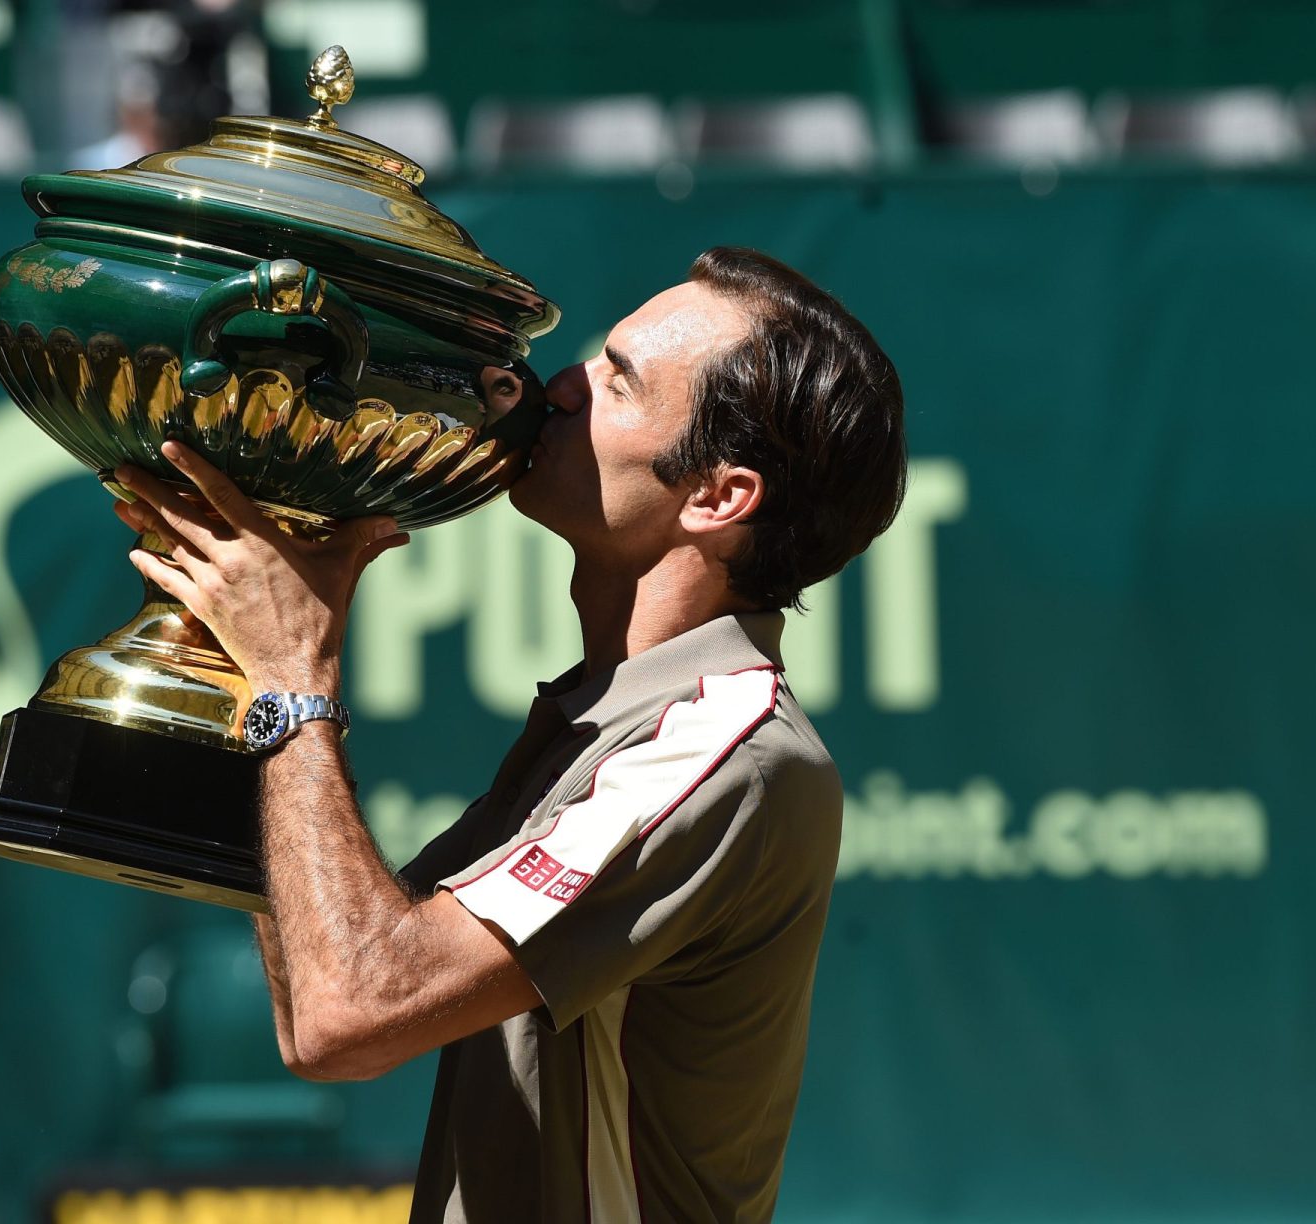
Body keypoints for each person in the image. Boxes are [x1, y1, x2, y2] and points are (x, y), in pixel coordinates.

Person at [112, 247, 908, 1222]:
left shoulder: (720, 753)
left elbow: (351, 1014)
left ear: (717, 497)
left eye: (618, 379)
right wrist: (252, 657)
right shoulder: (613, 714)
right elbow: (313, 995)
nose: (560, 387)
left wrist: (292, 677)